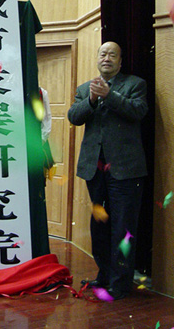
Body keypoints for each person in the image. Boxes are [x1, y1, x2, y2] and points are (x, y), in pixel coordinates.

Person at [67, 41, 148, 300]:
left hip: (125, 170)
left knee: (123, 227)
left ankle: (120, 283)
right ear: (97, 59)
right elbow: (73, 116)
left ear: (120, 62)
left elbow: (138, 111)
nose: (107, 58)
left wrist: (109, 95)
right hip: (95, 170)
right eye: (103, 54)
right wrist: (92, 99)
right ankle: (103, 276)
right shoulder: (85, 89)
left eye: (113, 55)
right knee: (99, 225)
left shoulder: (135, 84)